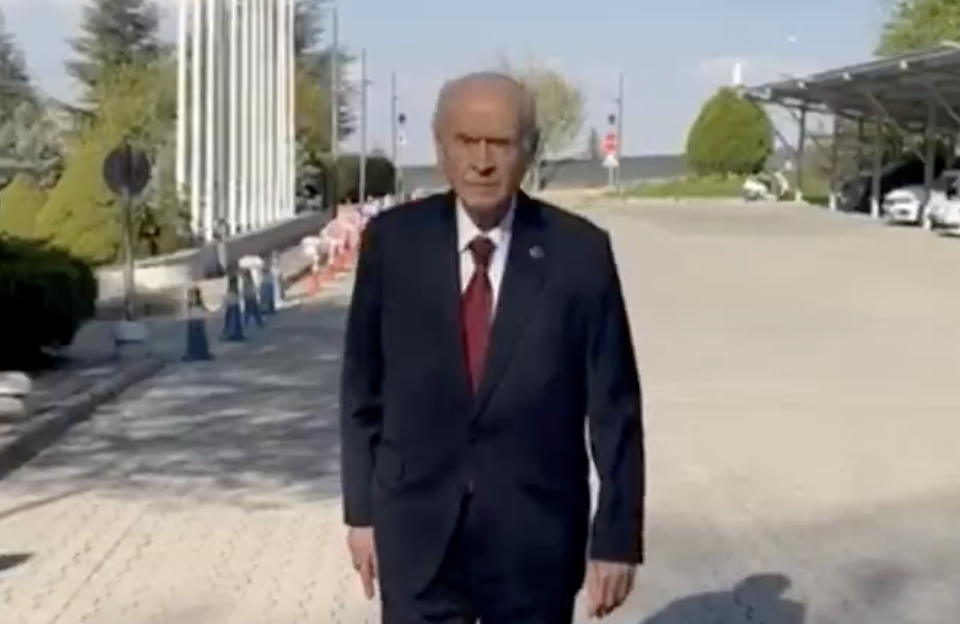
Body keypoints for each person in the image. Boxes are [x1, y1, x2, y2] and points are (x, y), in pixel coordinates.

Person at [340, 71, 645, 624]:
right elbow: (362, 390)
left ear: (528, 149)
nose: (482, 161)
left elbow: (615, 408)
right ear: (440, 147)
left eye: (500, 143)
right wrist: (360, 515)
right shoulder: (392, 244)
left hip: (534, 541)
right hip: (416, 534)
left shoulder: (580, 254)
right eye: (466, 141)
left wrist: (617, 538)